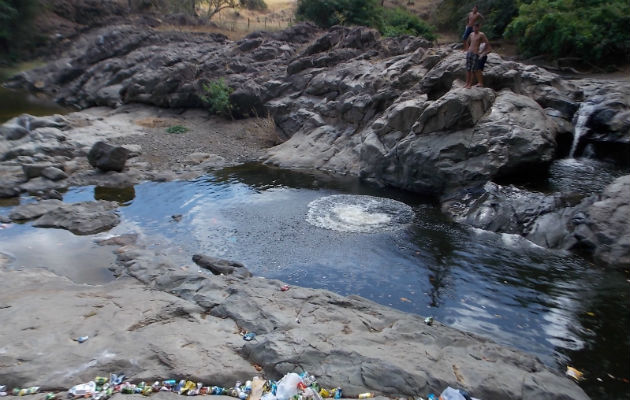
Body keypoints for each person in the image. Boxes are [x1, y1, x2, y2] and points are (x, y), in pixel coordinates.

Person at [464, 23, 491, 88]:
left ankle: (470, 84)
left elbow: (487, 43)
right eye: (474, 27)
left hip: (475, 53)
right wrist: (467, 49)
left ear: (478, 27)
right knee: (468, 69)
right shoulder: (471, 34)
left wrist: (482, 52)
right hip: (469, 53)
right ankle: (467, 83)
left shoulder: (481, 34)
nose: (475, 29)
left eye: (476, 27)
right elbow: (467, 42)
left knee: (473, 70)